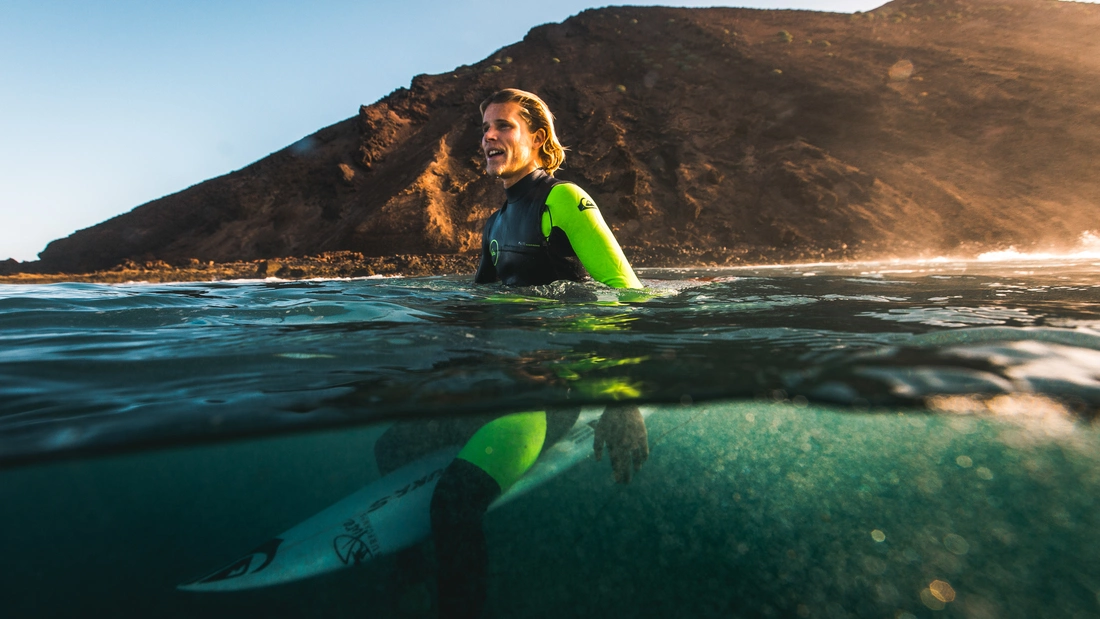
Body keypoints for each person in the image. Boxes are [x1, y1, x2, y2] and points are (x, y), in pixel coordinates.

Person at [374, 88, 648, 619]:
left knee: (452, 509)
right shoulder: (495, 224)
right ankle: (409, 576)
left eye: (503, 125)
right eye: (484, 128)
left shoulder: (562, 199)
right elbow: (479, 308)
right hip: (499, 380)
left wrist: (621, 396)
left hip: (549, 393)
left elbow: (628, 292)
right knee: (391, 446)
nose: (489, 137)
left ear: (539, 140)